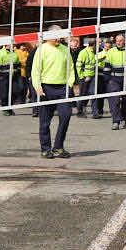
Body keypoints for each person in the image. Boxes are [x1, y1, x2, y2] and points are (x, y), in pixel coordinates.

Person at [31, 28, 77, 159]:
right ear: (48, 36)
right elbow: (35, 71)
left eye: (60, 37)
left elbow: (71, 69)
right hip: (46, 88)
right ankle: (45, 149)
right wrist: (38, 87)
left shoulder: (65, 49)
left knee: (66, 116)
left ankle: (58, 146)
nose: (59, 39)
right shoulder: (42, 49)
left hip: (62, 88)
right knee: (45, 121)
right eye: (56, 37)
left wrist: (69, 84)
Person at [0, 42, 17, 114]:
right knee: (5, 93)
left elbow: (17, 65)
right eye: (12, 44)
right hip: (4, 77)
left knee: (14, 92)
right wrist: (0, 76)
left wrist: (17, 74)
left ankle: (10, 108)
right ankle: (5, 109)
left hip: (13, 77)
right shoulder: (0, 53)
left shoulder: (14, 53)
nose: (14, 45)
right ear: (7, 44)